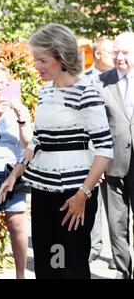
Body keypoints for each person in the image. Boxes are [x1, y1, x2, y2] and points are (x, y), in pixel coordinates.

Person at [0, 23, 113, 279]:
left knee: (69, 267)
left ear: (61, 58)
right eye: (35, 59)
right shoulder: (45, 92)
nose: (36, 66)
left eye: (42, 60)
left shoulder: (87, 92)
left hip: (73, 196)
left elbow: (105, 149)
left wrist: (82, 195)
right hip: (42, 192)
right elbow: (37, 141)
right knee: (47, 266)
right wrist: (14, 175)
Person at [0, 64, 32, 279]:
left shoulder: (18, 106)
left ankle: (20, 275)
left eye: (5, 83)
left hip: (14, 171)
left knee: (17, 222)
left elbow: (29, 144)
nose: (0, 88)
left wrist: (21, 118)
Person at [93, 32, 134, 279]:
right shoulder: (100, 82)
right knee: (117, 225)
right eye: (116, 52)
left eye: (125, 52)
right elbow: (92, 126)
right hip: (113, 163)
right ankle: (123, 270)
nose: (119, 57)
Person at [85, 37, 115, 266]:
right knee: (92, 203)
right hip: (93, 154)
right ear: (97, 54)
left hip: (118, 155)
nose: (114, 57)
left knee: (118, 211)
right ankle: (93, 247)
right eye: (109, 52)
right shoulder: (83, 80)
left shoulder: (120, 78)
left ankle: (119, 256)